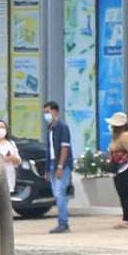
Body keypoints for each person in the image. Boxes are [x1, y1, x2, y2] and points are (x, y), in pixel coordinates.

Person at [43, 99, 73, 232]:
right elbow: (49, 150)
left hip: (61, 165)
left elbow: (64, 148)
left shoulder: (62, 127)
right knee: (56, 194)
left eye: (47, 112)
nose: (46, 115)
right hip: (52, 165)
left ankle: (63, 223)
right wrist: (48, 169)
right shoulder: (50, 128)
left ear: (54, 111)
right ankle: (62, 221)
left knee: (60, 193)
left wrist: (60, 166)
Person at [0, 118, 21, 198]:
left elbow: (18, 160)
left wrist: (12, 158)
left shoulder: (11, 143)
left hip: (8, 175)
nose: (1, 130)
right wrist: (2, 159)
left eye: (3, 127)